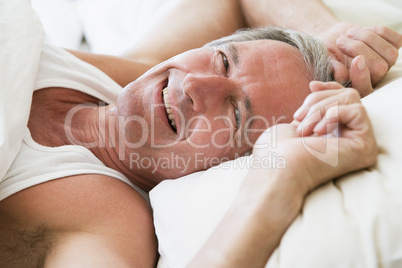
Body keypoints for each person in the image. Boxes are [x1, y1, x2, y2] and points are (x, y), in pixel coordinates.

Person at [0, 24, 382, 267]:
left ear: (224, 167)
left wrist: (281, 181)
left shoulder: (107, 223)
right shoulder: (127, 71)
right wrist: (326, 33)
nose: (196, 86)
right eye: (223, 61)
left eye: (235, 116)